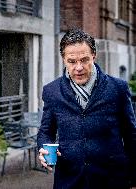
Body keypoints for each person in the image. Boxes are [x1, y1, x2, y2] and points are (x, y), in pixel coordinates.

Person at [37, 28, 136, 189]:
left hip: (113, 180)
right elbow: (46, 131)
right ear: (63, 59)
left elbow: (131, 135)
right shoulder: (52, 91)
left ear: (94, 57)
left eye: (84, 60)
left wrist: (134, 179)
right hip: (69, 180)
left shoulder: (118, 88)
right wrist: (43, 147)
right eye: (72, 61)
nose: (78, 67)